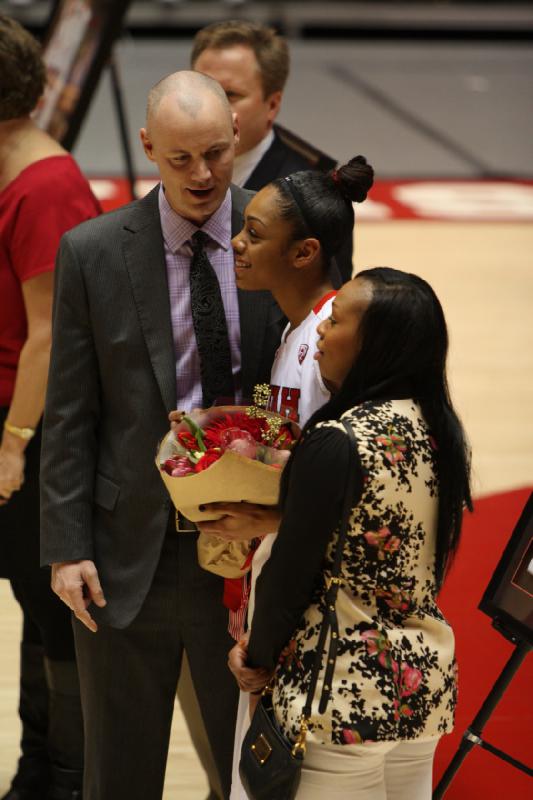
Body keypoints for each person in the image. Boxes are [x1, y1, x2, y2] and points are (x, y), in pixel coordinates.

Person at [39, 70, 285, 800]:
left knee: (250, 773)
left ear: (238, 133)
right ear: (148, 147)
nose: (202, 175)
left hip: (247, 552)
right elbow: (71, 410)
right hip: (122, 554)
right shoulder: (91, 251)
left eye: (215, 152)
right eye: (179, 159)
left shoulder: (278, 237)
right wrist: (65, 547)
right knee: (116, 774)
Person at [229, 267, 473, 799]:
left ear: (374, 344)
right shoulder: (439, 430)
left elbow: (290, 572)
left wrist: (257, 659)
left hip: (338, 698)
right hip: (420, 690)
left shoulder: (339, 440)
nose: (321, 330)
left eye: (336, 320)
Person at [223, 156, 374, 798]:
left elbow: (332, 500)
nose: (236, 243)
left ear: (306, 251)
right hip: (284, 590)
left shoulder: (333, 343)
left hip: (312, 613)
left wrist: (267, 634)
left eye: (255, 234)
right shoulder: (302, 330)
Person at [0, 14, 101, 800]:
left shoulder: (46, 184)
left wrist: (13, 443)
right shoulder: (9, 163)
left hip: (26, 431)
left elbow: (49, 338)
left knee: (48, 608)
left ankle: (57, 772)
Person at [191, 19, 354, 284]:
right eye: (201, 91)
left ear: (272, 104)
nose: (208, 108)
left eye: (230, 95)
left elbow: (323, 309)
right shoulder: (176, 157)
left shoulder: (314, 194)